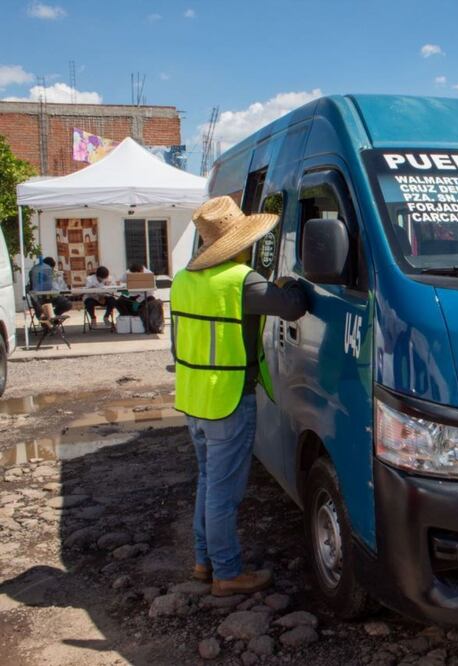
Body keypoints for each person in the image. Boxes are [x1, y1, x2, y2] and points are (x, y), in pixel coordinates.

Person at [171, 196, 308, 597]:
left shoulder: (183, 279)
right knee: (224, 494)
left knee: (208, 482)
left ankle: (203, 562)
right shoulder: (240, 280)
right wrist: (290, 283)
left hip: (193, 398)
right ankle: (228, 574)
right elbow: (292, 307)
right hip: (227, 398)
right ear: (237, 242)